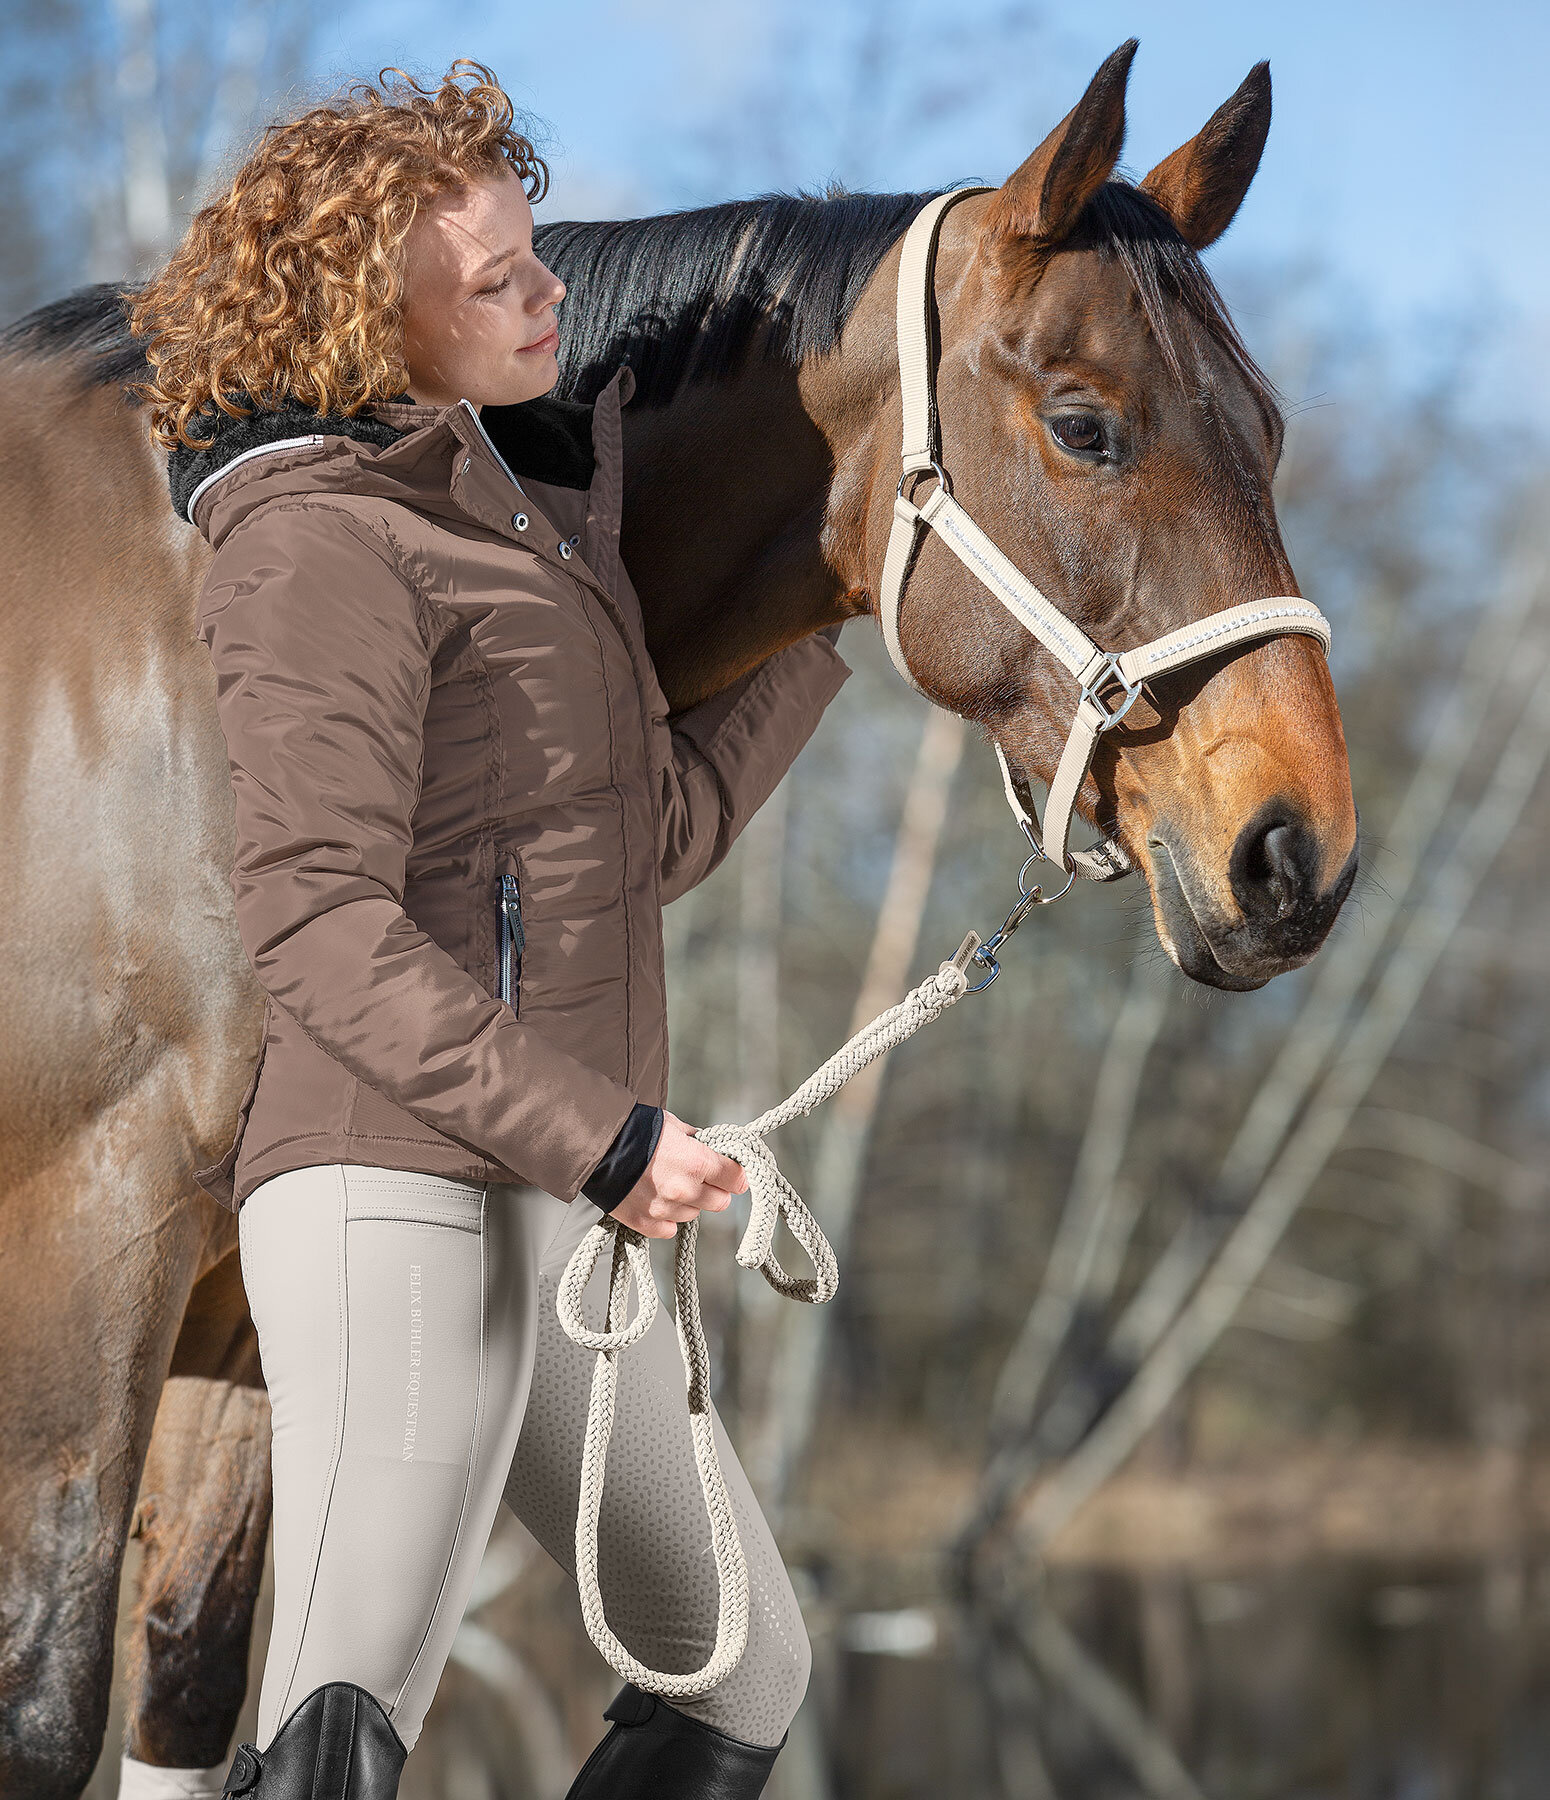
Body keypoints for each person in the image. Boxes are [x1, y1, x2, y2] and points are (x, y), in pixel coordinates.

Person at [125, 58, 851, 1800]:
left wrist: (821, 619)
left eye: (537, 257)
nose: (551, 295)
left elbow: (645, 831)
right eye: (499, 282)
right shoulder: (312, 541)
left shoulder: (529, 531)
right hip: (390, 1189)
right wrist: (601, 1139)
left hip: (550, 1199)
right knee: (341, 1725)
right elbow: (310, 917)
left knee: (742, 1668)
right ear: (372, 328)